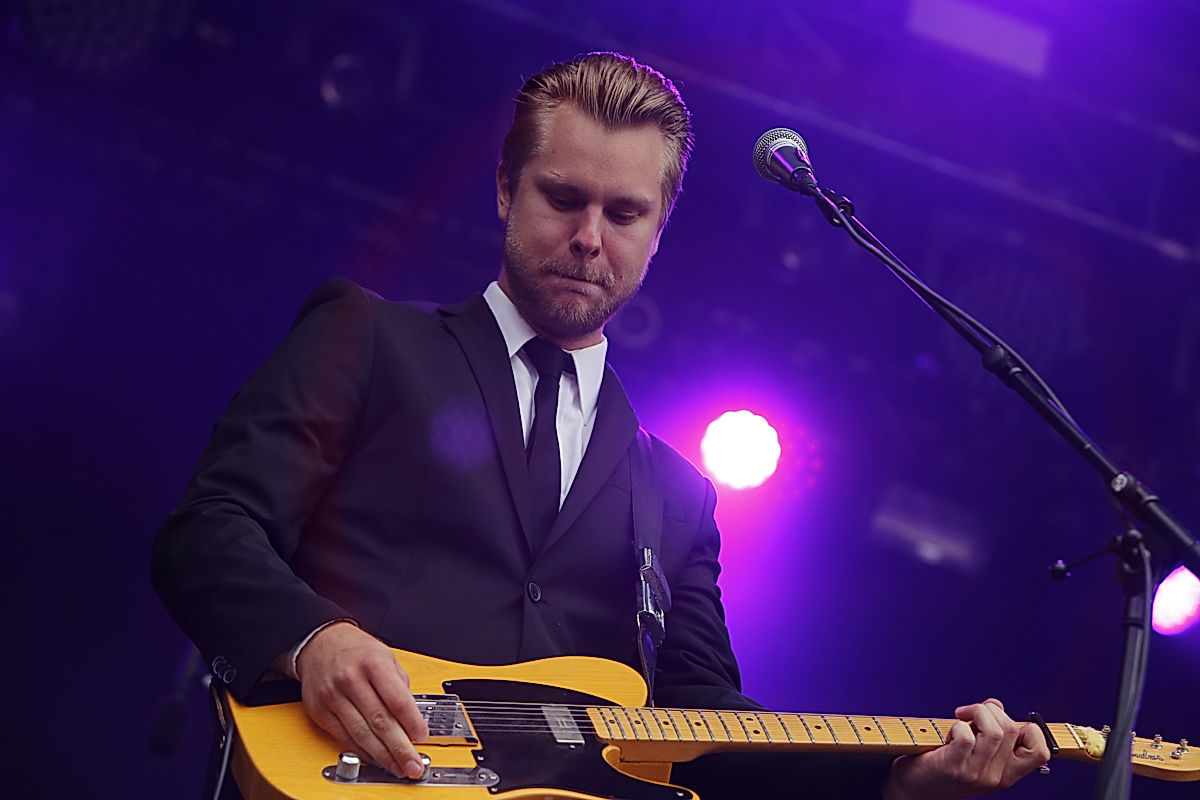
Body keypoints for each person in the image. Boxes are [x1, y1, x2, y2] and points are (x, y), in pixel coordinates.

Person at [151, 51, 1050, 799]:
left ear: (659, 231)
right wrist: (314, 637)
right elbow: (208, 529)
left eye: (624, 214)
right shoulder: (369, 338)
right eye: (563, 198)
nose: (590, 236)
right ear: (504, 190)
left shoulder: (677, 494)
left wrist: (900, 781)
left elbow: (707, 731)